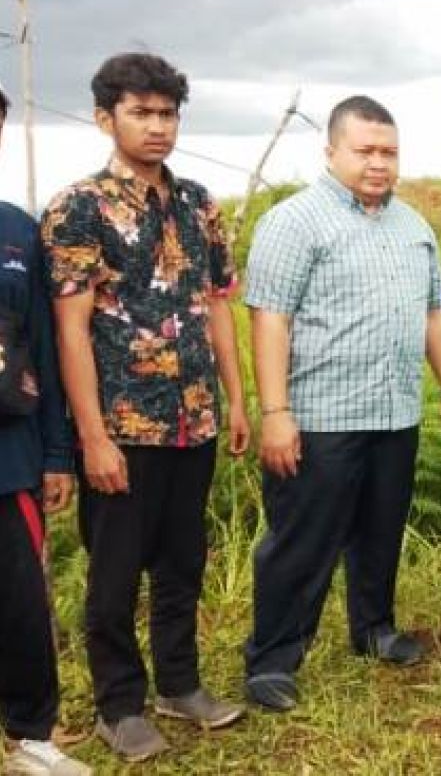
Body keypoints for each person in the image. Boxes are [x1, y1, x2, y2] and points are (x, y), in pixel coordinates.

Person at [42, 53, 249, 763]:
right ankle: (119, 704)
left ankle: (180, 685)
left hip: (195, 420)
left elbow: (218, 307)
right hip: (123, 427)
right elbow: (70, 330)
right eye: (142, 112)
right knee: (114, 573)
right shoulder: (79, 208)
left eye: (167, 113)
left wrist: (238, 398)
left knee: (183, 561)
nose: (158, 126)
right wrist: (91, 437)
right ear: (107, 118)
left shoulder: (197, 204)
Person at [242, 95, 441, 711]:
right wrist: (275, 413)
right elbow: (271, 322)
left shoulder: (413, 226)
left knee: (380, 531)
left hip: (395, 414)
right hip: (318, 418)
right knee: (303, 538)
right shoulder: (294, 221)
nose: (378, 163)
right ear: (332, 151)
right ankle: (273, 660)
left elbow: (435, 313)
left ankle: (373, 629)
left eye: (388, 152)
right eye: (365, 150)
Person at [0, 81, 91, 776]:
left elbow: (52, 351)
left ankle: (30, 733)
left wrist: (59, 452)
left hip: (11, 457)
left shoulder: (18, 232)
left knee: (23, 606)